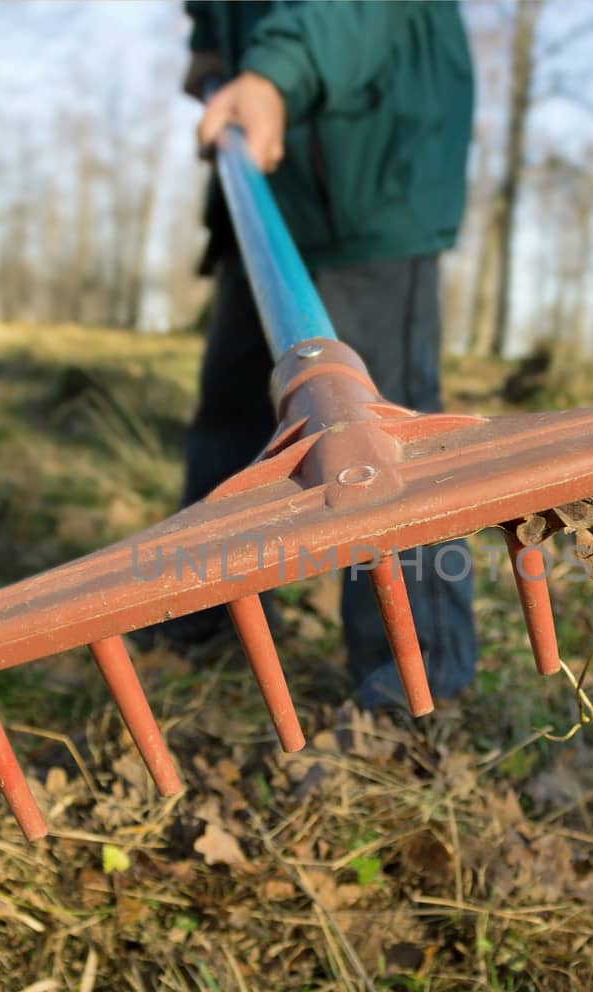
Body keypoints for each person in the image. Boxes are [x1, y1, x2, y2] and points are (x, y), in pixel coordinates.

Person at [171, 0, 478, 713]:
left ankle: (416, 680)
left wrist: (277, 72)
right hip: (265, 182)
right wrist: (211, 43)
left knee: (377, 437)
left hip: (364, 168)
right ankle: (209, 615)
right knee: (233, 410)